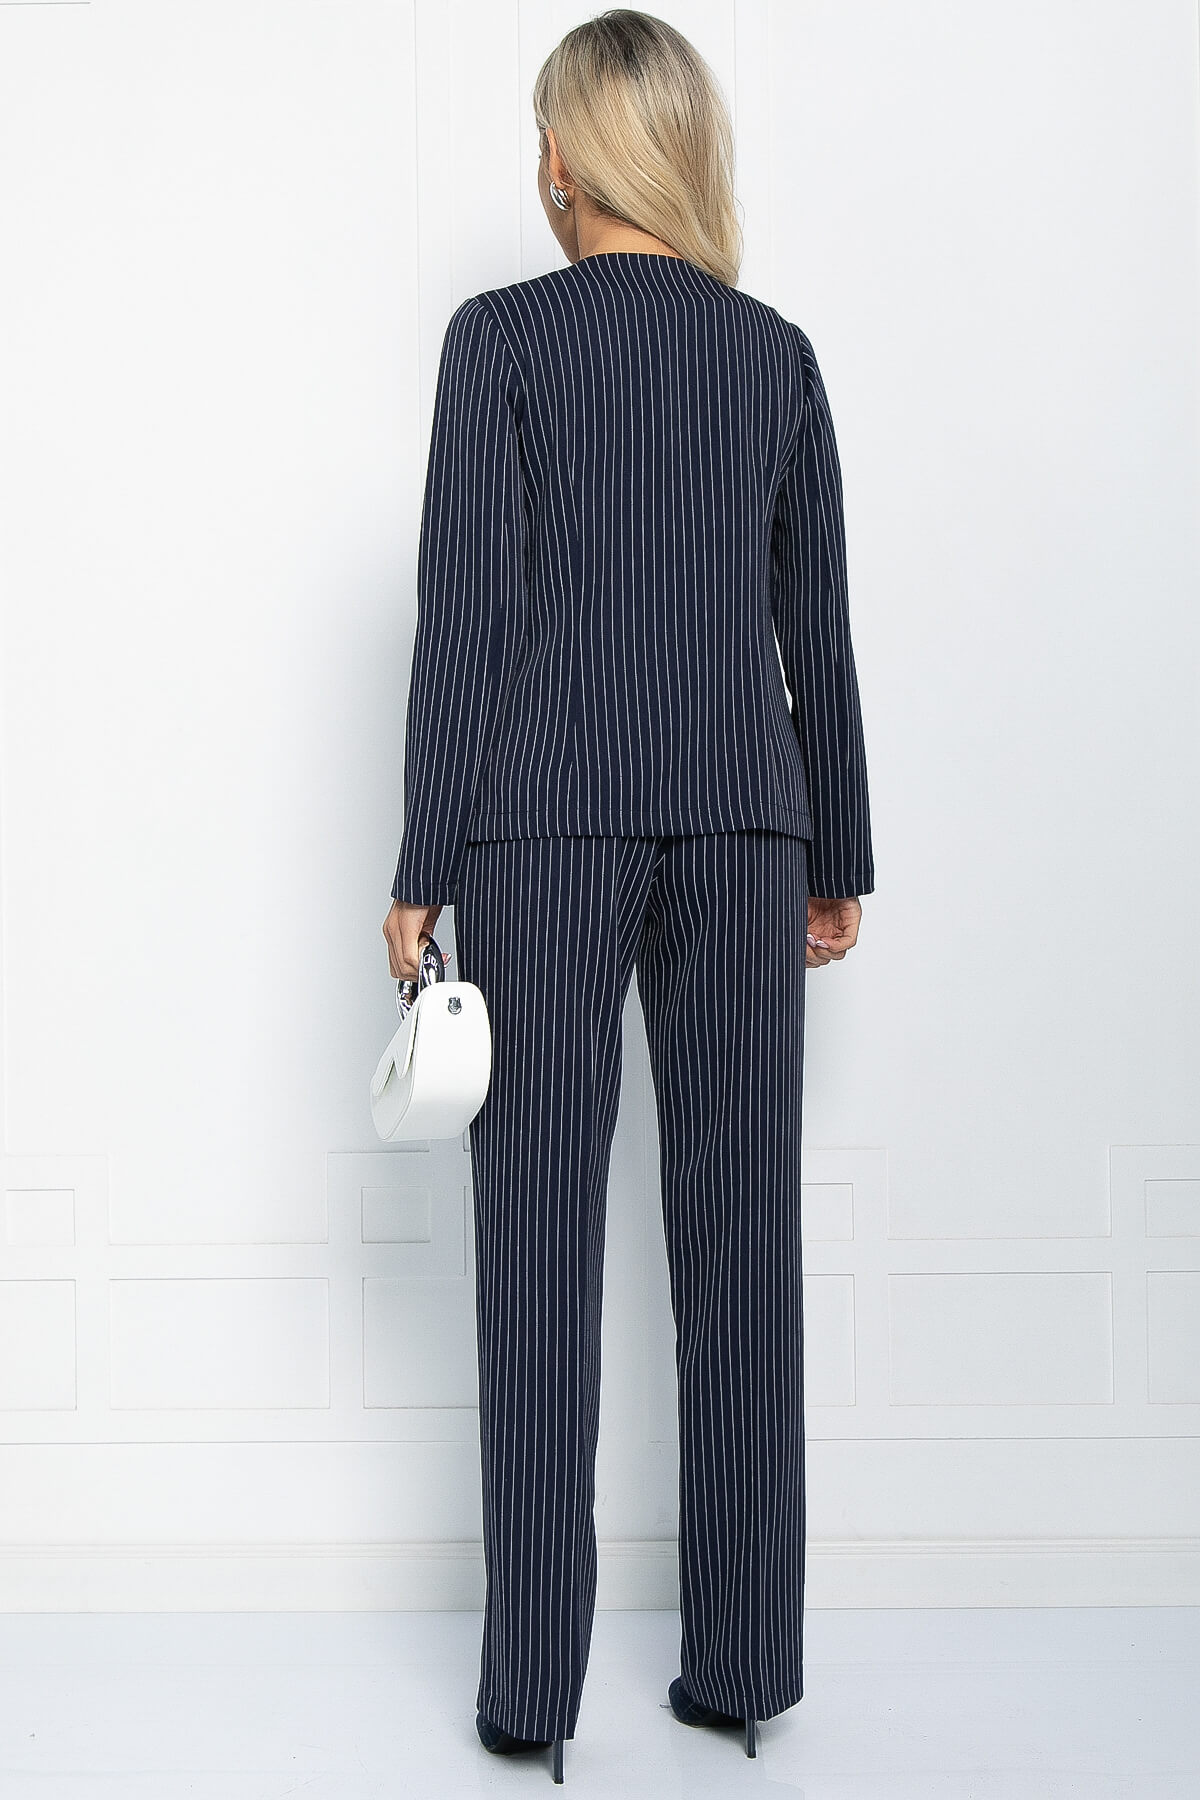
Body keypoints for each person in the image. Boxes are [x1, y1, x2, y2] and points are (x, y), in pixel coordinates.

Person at [381, 8, 874, 1784]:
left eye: (544, 135)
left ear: (567, 158)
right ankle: (741, 1670)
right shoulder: (775, 357)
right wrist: (843, 852)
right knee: (743, 1246)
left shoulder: (500, 342)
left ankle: (532, 1695)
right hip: (748, 826)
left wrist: (422, 862)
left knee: (536, 1248)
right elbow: (817, 630)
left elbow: (465, 621)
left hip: (543, 830)